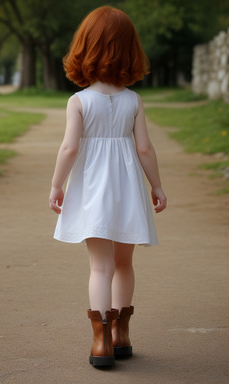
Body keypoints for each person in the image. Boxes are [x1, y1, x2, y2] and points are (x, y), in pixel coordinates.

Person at [49, 5, 167, 368]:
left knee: (99, 268)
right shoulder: (133, 100)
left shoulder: (79, 101)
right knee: (124, 265)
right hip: (128, 191)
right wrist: (157, 187)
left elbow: (69, 147)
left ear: (86, 48)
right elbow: (144, 148)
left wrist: (56, 185)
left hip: (94, 194)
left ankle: (100, 343)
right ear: (130, 51)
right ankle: (122, 336)